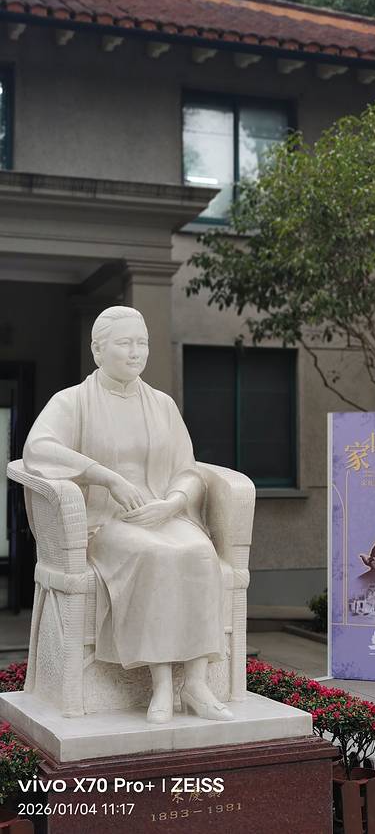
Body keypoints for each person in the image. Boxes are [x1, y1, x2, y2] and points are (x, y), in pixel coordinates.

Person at [22, 306, 232, 725]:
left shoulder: (162, 405)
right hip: (107, 524)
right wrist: (103, 476)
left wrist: (173, 502)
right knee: (155, 555)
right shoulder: (73, 402)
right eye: (124, 343)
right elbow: (37, 449)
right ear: (98, 350)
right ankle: (161, 683)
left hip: (163, 514)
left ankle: (195, 683)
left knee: (199, 551)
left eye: (142, 343)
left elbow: (188, 470)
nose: (136, 352)